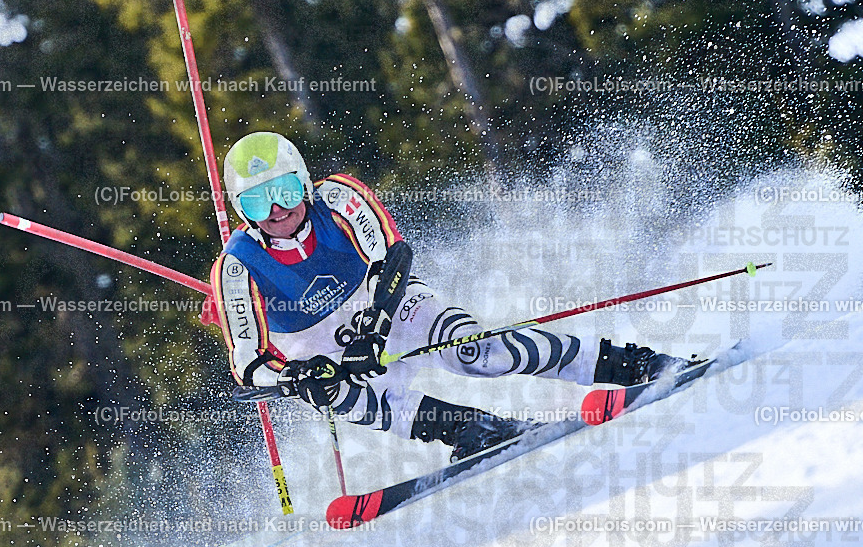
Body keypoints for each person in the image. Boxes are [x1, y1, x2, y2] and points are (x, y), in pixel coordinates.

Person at [210, 131, 687, 461]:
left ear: (304, 181)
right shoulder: (236, 266)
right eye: (257, 201)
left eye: (287, 191)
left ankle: (628, 365)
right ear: (240, 210)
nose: (277, 210)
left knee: (479, 352)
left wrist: (376, 325)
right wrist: (296, 377)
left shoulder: (337, 198)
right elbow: (248, 365)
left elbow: (392, 257)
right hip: (318, 349)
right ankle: (470, 430)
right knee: (344, 396)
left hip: (388, 307)